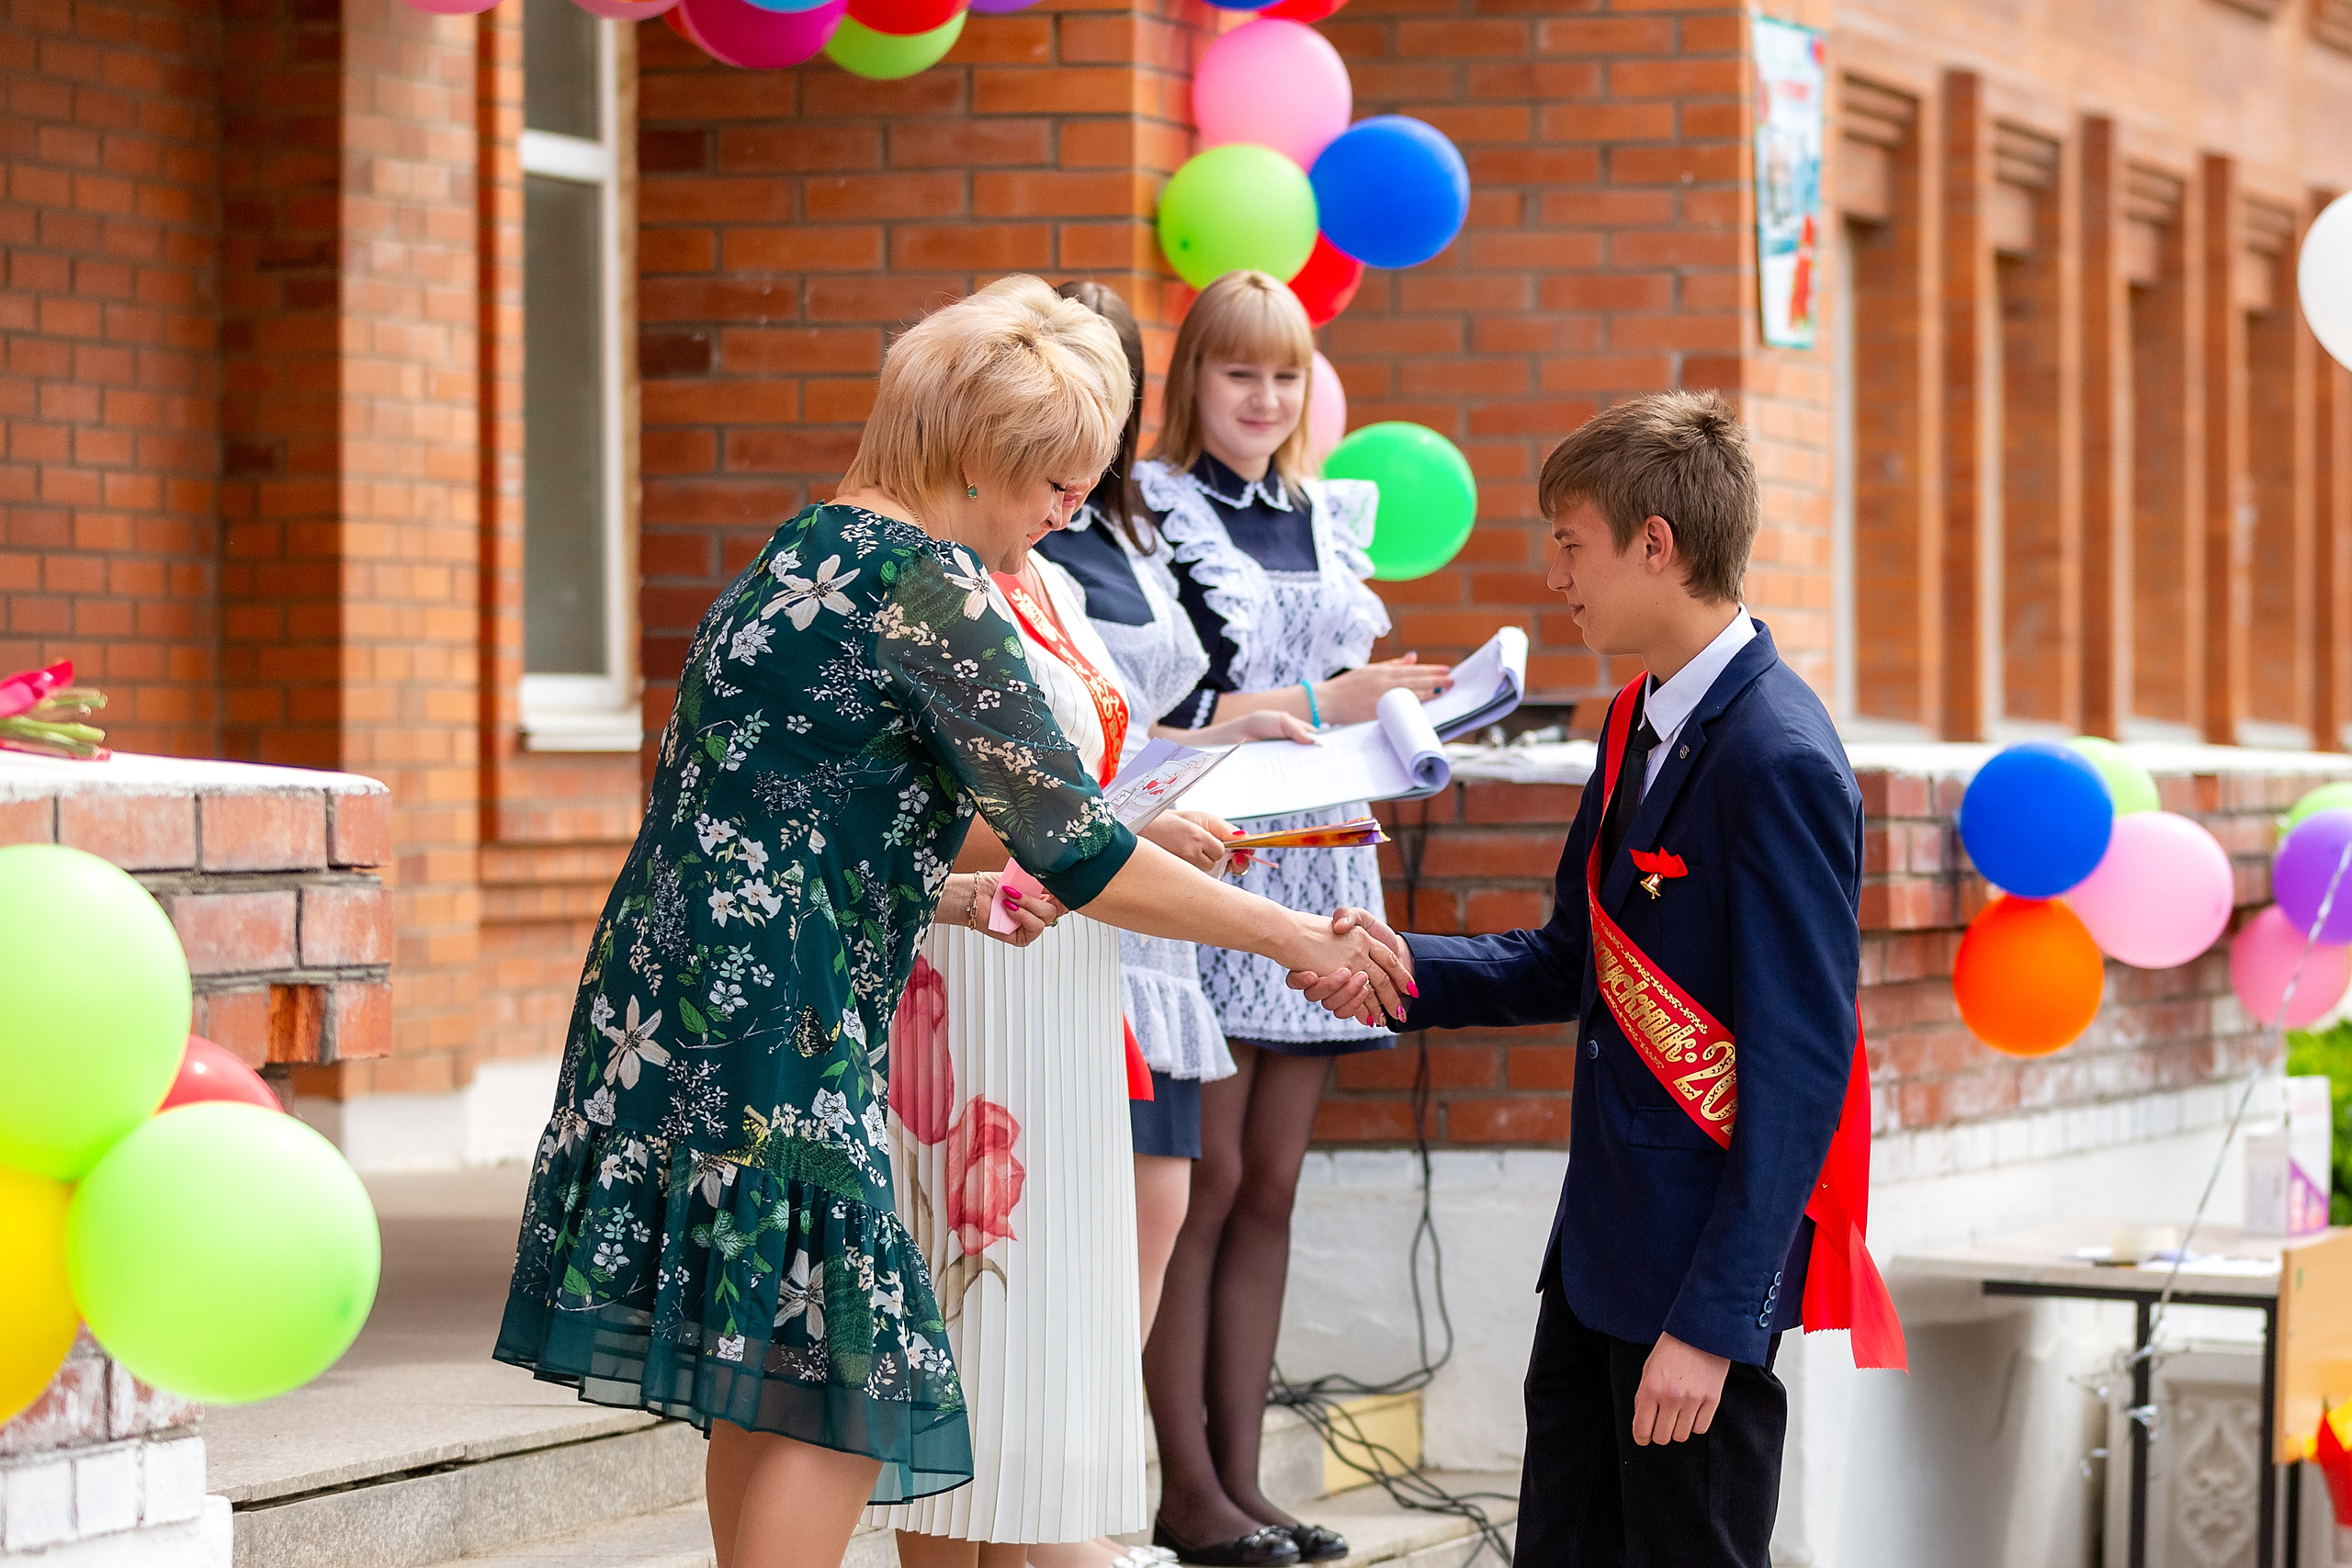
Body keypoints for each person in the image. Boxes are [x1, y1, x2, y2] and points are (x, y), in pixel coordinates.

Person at [493, 275, 1411, 1568]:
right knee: (848, 1380)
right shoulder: (930, 588)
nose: (1065, 515)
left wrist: (950, 887)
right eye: (1056, 485)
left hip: (669, 988)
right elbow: (1080, 843)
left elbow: (783, 798)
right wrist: (1294, 936)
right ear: (984, 457)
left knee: (769, 1361)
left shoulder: (803, 545)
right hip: (784, 1011)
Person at [1294, 391, 1903, 1568]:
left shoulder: (1777, 756)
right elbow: (1573, 959)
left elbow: (1800, 1061)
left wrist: (1718, 1324)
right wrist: (1395, 964)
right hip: (1598, 1257)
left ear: (1655, 544)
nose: (1557, 575)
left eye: (1571, 543)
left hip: (1692, 1288)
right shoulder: (1636, 720)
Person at [1135, 270, 1448, 1568]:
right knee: (1198, 1181)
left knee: (1267, 1183)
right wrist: (1340, 692)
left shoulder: (1333, 516)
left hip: (1325, 858)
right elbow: (1192, 699)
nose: (1263, 398)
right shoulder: (1154, 516)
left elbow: (1332, 693)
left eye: (1284, 374)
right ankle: (1184, 1483)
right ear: (1193, 381)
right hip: (1214, 852)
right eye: (1237, 371)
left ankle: (1247, 1484)